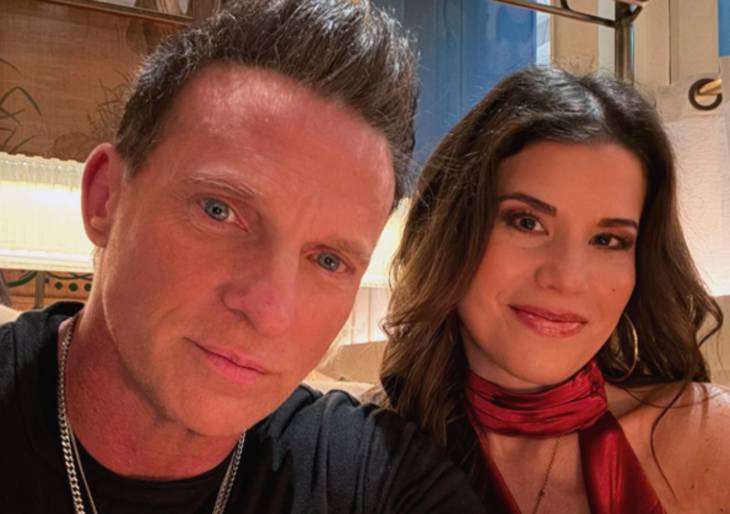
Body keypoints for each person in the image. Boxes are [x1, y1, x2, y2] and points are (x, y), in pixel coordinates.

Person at [0, 1, 484, 513]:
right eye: (219, 211)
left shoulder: (377, 484)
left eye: (328, 260)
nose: (269, 310)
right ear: (105, 198)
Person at [380, 66, 730, 513]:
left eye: (608, 240)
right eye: (527, 222)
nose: (567, 277)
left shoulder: (709, 434)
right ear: (453, 228)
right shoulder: (354, 454)